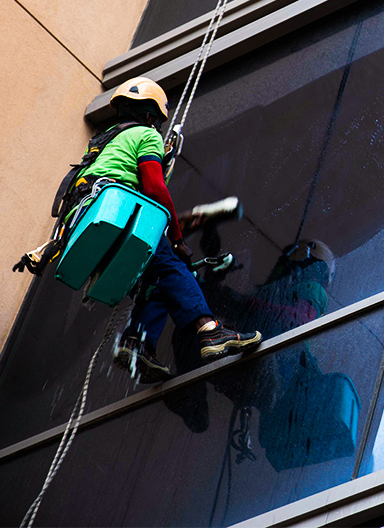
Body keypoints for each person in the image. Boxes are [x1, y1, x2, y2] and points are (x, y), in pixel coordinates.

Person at [91, 77, 262, 382]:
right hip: (123, 220)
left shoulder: (104, 144)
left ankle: (136, 344)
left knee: (155, 282)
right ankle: (210, 331)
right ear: (149, 116)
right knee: (173, 267)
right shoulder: (146, 135)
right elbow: (155, 187)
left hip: (97, 229)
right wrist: (178, 239)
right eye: (156, 121)